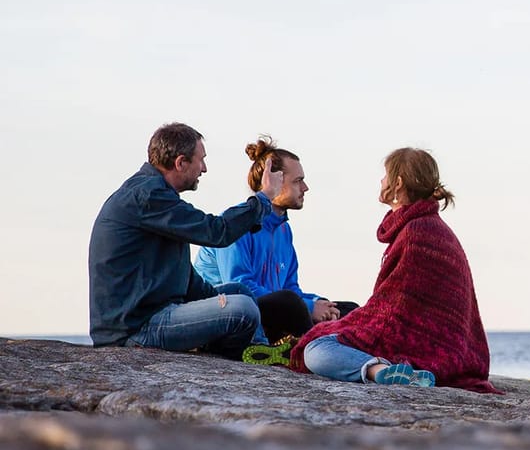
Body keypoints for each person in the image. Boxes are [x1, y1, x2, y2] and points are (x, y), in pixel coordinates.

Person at [289, 148, 499, 393]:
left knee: (317, 350)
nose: (381, 181)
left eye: (385, 175)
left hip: (423, 348)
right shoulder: (425, 227)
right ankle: (394, 373)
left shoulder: (417, 233)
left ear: (398, 183)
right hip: (432, 346)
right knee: (328, 338)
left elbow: (393, 311)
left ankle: (379, 371)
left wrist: (340, 328)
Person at [88, 122, 284, 359]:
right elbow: (216, 231)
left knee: (240, 293)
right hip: (135, 329)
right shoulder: (149, 196)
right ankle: (243, 358)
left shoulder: (153, 194)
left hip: (153, 311)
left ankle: (260, 353)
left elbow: (182, 277)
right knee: (242, 310)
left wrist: (216, 299)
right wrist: (263, 199)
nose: (204, 169)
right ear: (180, 163)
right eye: (200, 160)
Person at [194, 135, 358, 362]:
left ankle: (337, 353)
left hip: (274, 312)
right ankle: (315, 355)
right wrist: (307, 306)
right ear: (275, 181)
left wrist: (320, 304)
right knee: (290, 303)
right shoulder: (237, 223)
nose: (305, 187)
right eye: (298, 180)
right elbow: (240, 288)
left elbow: (290, 287)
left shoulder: (283, 231)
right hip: (228, 316)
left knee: (349, 309)